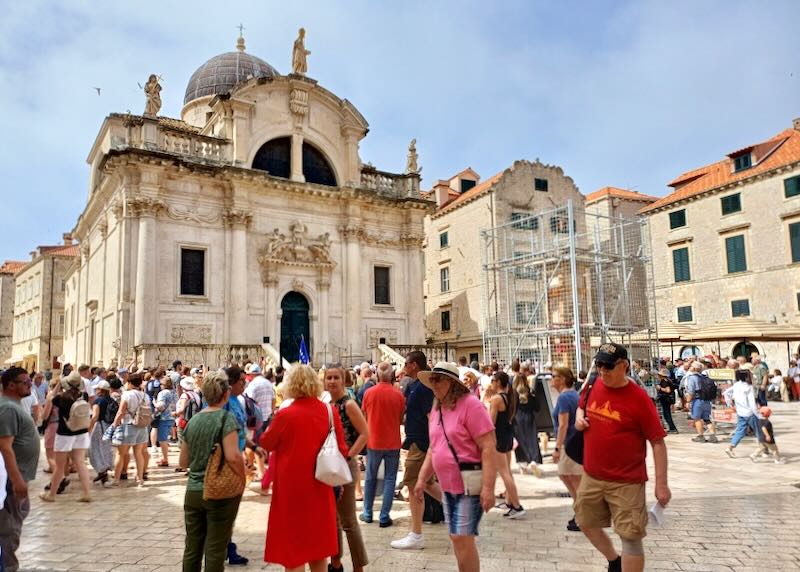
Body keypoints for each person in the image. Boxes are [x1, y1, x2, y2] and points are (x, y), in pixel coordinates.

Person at [574, 343, 670, 572]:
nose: (602, 370)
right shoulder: (592, 384)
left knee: (630, 537)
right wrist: (579, 418)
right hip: (592, 475)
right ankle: (614, 561)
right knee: (584, 522)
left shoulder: (639, 399)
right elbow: (581, 406)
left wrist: (662, 485)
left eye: (608, 365)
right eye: (599, 364)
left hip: (626, 480)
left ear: (624, 366)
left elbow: (657, 442)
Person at [259, 364, 348, 572]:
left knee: (294, 550)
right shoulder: (329, 411)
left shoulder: (285, 415)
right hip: (320, 485)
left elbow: (266, 443)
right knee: (318, 550)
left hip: (291, 490)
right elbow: (342, 448)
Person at [414, 362, 496, 572]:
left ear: (452, 383)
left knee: (462, 536)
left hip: (468, 481)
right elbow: (435, 447)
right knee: (457, 537)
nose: (434, 384)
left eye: (438, 379)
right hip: (449, 485)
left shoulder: (471, 405)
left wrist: (488, 488)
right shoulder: (437, 408)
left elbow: (488, 446)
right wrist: (422, 479)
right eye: (432, 380)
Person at [180, 370, 244, 572]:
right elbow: (233, 456)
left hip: (193, 491)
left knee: (192, 548)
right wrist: (242, 478)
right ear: (226, 394)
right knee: (215, 549)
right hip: (218, 492)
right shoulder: (226, 419)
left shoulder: (193, 422)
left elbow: (183, 461)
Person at [391, 351, 442, 551]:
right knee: (427, 484)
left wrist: (433, 445)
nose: (403, 366)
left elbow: (432, 417)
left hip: (420, 444)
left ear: (414, 365)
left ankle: (416, 534)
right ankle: (458, 508)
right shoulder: (418, 386)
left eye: (406, 363)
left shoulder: (422, 389)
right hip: (419, 442)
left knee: (413, 486)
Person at [325, 364, 370, 572]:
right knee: (333, 519)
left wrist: (349, 455)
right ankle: (335, 562)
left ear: (343, 381)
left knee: (349, 521)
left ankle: (358, 566)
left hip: (346, 464)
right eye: (329, 378)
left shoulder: (348, 404)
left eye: (336, 377)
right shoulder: (327, 404)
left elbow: (365, 433)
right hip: (331, 466)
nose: (332, 381)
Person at [0, 367, 40, 572]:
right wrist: (17, 480)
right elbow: (5, 446)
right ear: (11, 384)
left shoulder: (12, 406)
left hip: (18, 477)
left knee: (13, 522)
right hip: (11, 480)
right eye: (25, 381)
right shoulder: (8, 408)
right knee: (9, 528)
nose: (29, 384)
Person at [360, 361, 405, 528]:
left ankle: (367, 512)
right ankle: (385, 516)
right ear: (392, 375)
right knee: (390, 479)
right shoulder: (398, 395)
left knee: (370, 478)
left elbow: (364, 417)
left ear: (377, 375)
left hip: (374, 441)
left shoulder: (369, 393)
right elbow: (400, 419)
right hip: (393, 441)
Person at [39, 372, 92, 503]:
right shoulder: (84, 396)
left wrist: (58, 384)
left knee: (60, 466)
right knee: (80, 463)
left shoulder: (61, 398)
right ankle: (86, 493)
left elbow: (50, 397)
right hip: (81, 432)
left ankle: (51, 494)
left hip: (65, 434)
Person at [550, 366, 583, 532]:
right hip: (574, 443)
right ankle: (579, 512)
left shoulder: (564, 398)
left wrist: (557, 447)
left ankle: (581, 515)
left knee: (572, 479)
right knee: (569, 477)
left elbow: (563, 425)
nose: (551, 379)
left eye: (554, 376)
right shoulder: (574, 395)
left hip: (568, 444)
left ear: (562, 379)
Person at [489, 371, 525, 518]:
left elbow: (490, 423)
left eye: (493, 380)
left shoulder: (497, 399)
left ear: (498, 382)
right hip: (507, 436)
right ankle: (510, 501)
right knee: (507, 471)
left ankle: (516, 505)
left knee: (504, 473)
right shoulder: (509, 397)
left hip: (498, 438)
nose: (491, 382)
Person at [110, 373, 150, 486]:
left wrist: (114, 425)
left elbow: (121, 412)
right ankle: (139, 478)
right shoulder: (145, 396)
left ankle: (116, 479)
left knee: (121, 453)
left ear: (130, 383)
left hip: (128, 425)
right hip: (141, 426)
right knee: (138, 453)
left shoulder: (127, 395)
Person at [723, 369, 761, 458]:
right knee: (759, 431)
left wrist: (730, 404)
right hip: (750, 413)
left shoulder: (736, 385)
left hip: (740, 412)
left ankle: (730, 447)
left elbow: (726, 393)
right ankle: (763, 449)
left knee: (740, 431)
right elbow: (752, 403)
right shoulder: (748, 387)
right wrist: (758, 414)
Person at [511, 373, 542, 476]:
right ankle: (533, 460)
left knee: (520, 442)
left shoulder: (513, 393)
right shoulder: (530, 391)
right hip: (529, 418)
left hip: (517, 419)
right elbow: (537, 407)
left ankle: (522, 464)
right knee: (532, 440)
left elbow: (511, 408)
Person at [87, 380, 114, 485]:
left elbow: (94, 417)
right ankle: (103, 473)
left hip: (99, 427)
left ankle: (102, 471)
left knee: (95, 449)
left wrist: (89, 429)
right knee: (105, 449)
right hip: (108, 427)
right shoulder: (111, 400)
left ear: (100, 390)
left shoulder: (98, 401)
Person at [685, 362, 718, 443]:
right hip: (707, 401)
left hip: (697, 400)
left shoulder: (692, 378)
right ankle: (713, 435)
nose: (690, 367)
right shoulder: (705, 377)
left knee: (697, 418)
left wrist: (688, 401)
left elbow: (691, 391)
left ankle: (701, 436)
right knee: (707, 419)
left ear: (694, 368)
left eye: (691, 366)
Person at [153, 377, 177, 467]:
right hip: (172, 417)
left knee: (162, 439)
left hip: (163, 417)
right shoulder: (174, 393)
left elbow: (161, 406)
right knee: (165, 438)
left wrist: (154, 403)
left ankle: (165, 459)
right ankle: (164, 457)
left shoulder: (163, 393)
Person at [655, 369, 678, 433]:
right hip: (667, 399)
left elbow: (668, 390)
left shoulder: (664, 381)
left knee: (667, 414)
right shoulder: (668, 380)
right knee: (667, 414)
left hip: (665, 399)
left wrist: (660, 388)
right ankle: (672, 428)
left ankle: (673, 428)